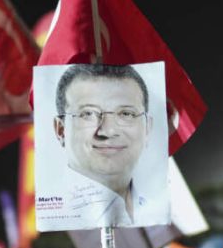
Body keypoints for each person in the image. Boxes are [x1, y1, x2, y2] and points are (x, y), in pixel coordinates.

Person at [52, 64, 154, 227]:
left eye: (126, 114)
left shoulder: (154, 208)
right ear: (61, 130)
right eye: (88, 114)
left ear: (147, 128)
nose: (108, 130)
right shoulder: (56, 222)